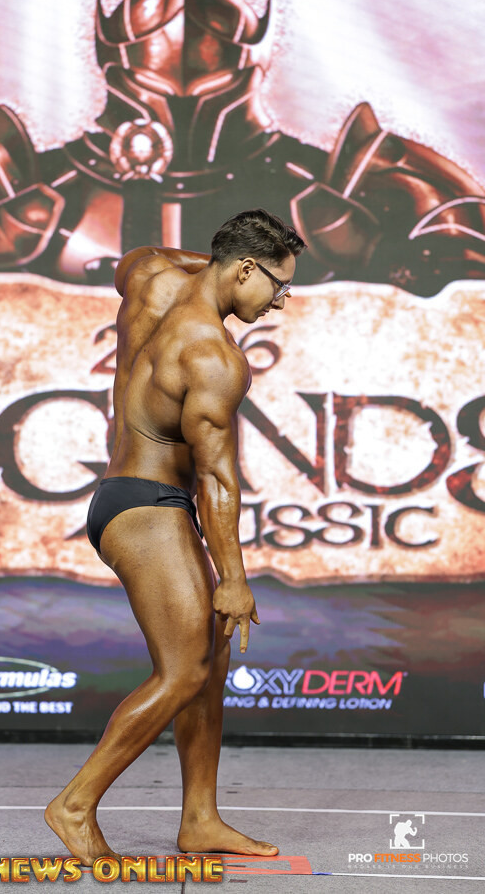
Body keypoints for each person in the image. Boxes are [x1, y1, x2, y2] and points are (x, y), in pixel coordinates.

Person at [45, 208, 306, 864]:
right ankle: (74, 804)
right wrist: (234, 580)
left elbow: (142, 256)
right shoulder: (213, 354)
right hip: (149, 507)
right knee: (185, 668)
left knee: (208, 663)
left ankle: (200, 820)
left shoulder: (151, 279)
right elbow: (217, 479)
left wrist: (223, 259)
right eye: (277, 285)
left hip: (128, 496)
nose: (280, 301)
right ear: (244, 269)